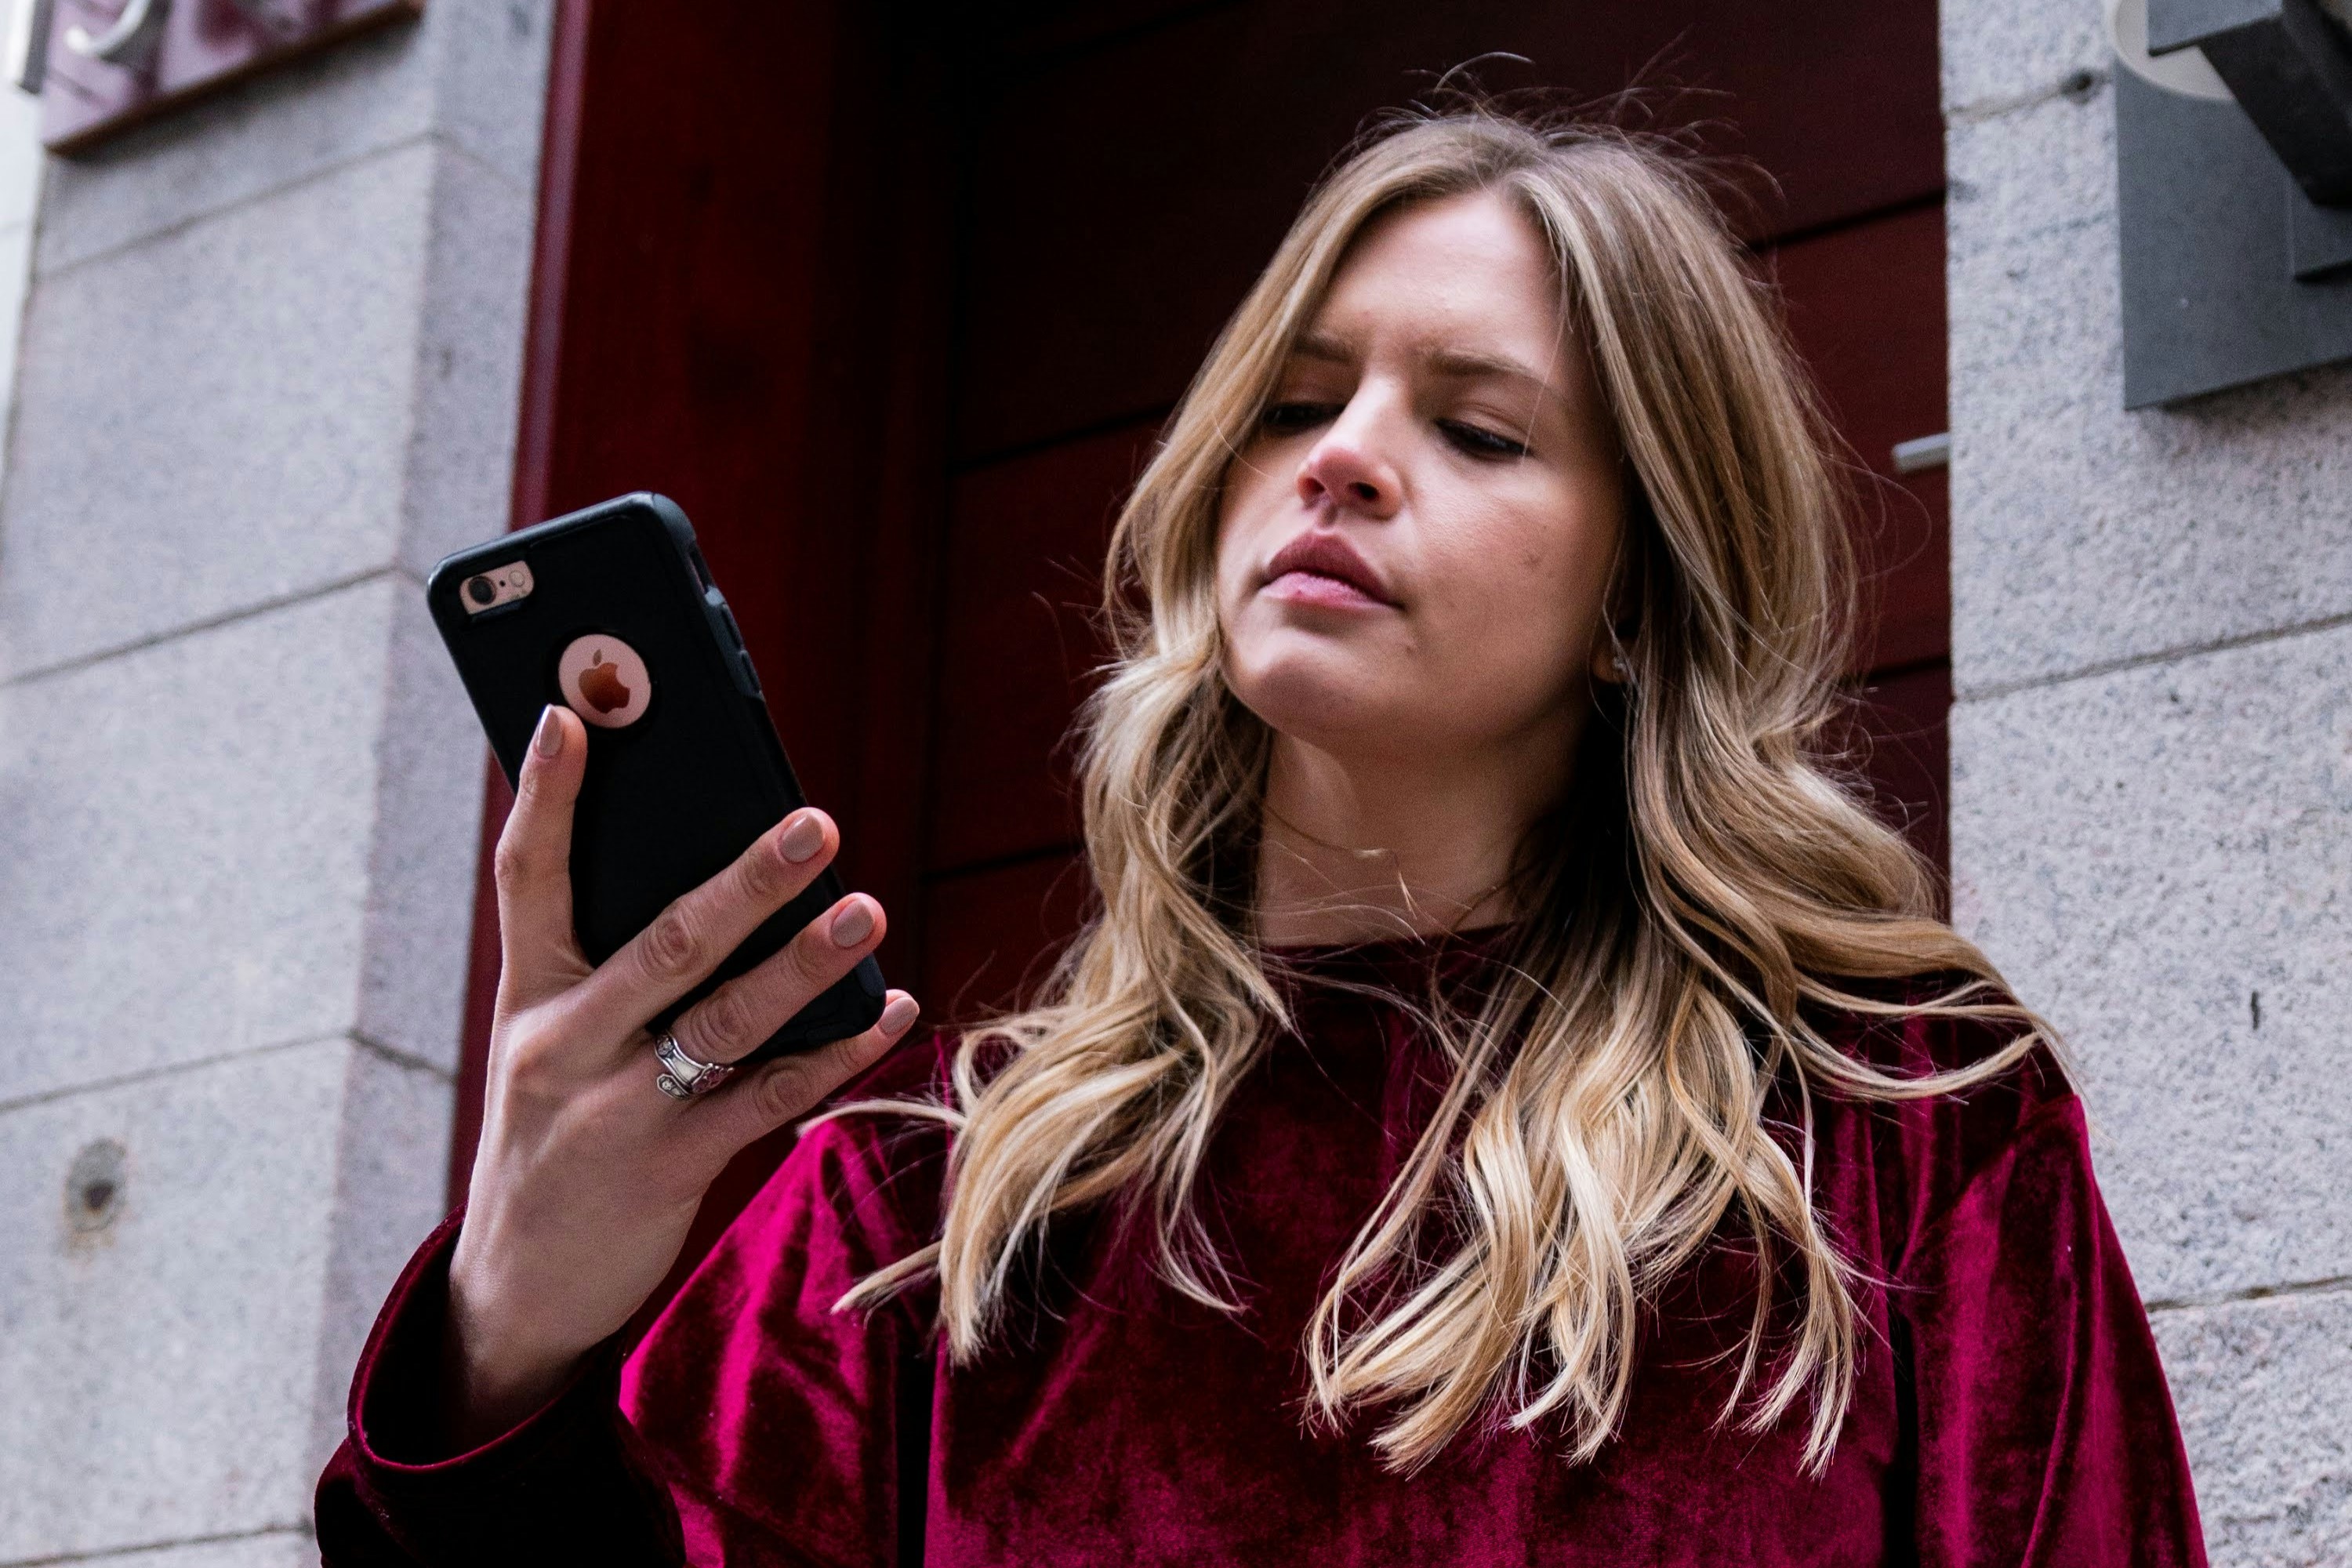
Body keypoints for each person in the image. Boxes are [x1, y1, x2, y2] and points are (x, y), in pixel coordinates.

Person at [317, 108, 2207, 1566]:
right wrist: (515, 1321)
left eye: (1479, 430)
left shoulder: (1904, 1142)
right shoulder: (917, 1221)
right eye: (1298, 400)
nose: (1342, 454)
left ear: (1641, 594)